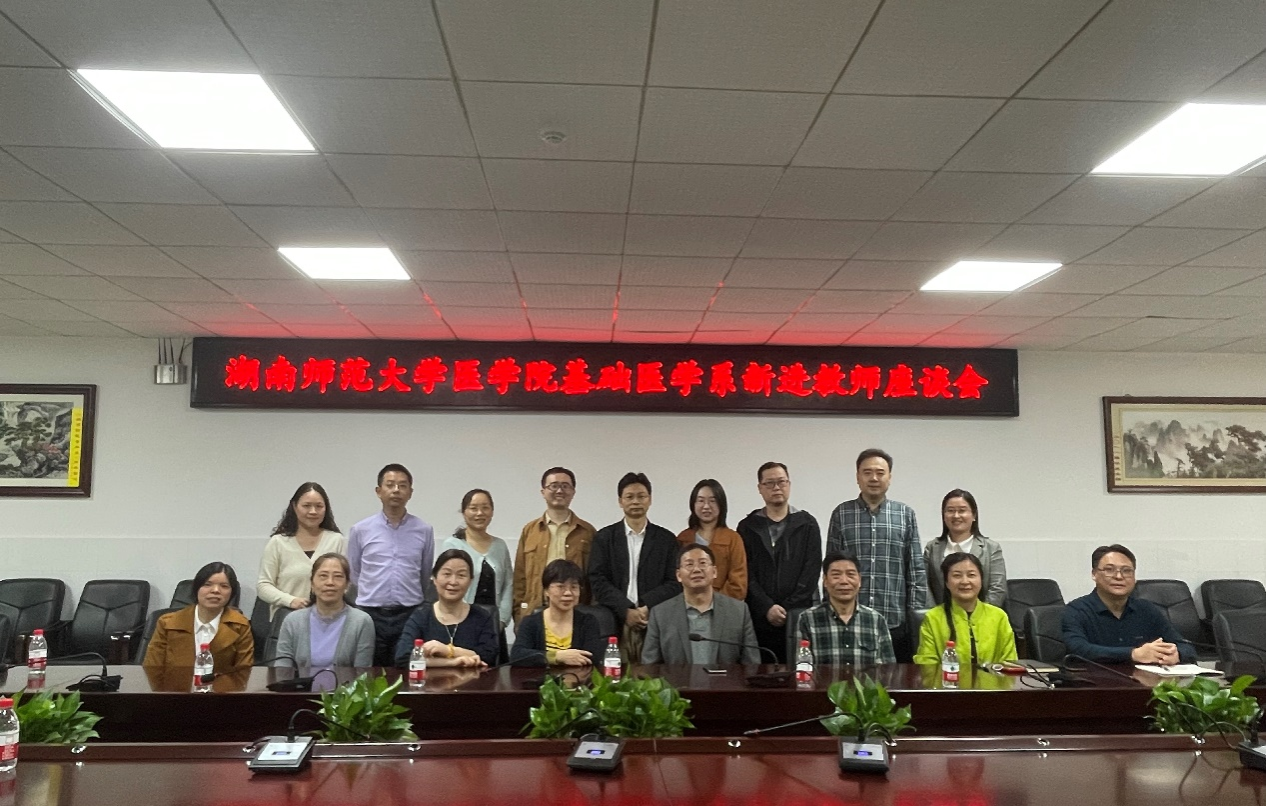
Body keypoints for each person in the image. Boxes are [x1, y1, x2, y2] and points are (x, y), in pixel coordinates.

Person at [826, 448, 928, 663]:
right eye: (867, 472)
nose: (874, 478)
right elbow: (831, 569)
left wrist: (915, 616)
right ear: (857, 477)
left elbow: (916, 569)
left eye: (880, 473)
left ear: (889, 477)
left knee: (895, 680)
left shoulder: (905, 514)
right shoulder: (841, 514)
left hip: (894, 619)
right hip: (849, 619)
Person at [588, 472, 681, 663]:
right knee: (615, 674)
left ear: (650, 499)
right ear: (620, 501)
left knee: (653, 674)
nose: (636, 501)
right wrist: (625, 609)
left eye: (641, 496)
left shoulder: (666, 539)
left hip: (654, 618)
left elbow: (674, 582)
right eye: (629, 497)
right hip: (614, 619)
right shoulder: (604, 538)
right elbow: (597, 579)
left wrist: (646, 606)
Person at [348, 463, 435, 667]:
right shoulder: (360, 530)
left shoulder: (424, 530)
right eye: (390, 485)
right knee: (369, 670)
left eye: (402, 485)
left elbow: (425, 573)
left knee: (407, 667)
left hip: (410, 612)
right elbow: (354, 572)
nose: (396, 490)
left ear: (410, 492)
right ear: (378, 491)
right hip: (369, 613)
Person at [737, 462, 822, 663]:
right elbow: (746, 573)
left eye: (781, 482)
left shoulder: (807, 524)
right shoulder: (748, 527)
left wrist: (786, 608)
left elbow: (811, 571)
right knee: (759, 672)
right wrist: (767, 607)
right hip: (759, 616)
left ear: (789, 484)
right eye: (770, 483)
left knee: (799, 671)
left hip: (798, 615)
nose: (776, 488)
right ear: (760, 488)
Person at [1062, 544, 1195, 665]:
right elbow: (1078, 649)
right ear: (1094, 574)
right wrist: (1133, 654)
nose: (1119, 577)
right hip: (1094, 680)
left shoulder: (1146, 609)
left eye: (1126, 571)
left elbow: (1185, 646)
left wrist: (1176, 654)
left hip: (1145, 680)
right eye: (1109, 570)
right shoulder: (1076, 610)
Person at [642, 544, 759, 665]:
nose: (696, 569)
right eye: (689, 564)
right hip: (677, 678)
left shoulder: (738, 611)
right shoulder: (660, 614)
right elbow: (650, 666)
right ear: (678, 575)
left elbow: (751, 664)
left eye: (703, 563)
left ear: (714, 572)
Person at [513, 467, 597, 627]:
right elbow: (519, 577)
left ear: (573, 492)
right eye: (554, 486)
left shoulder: (587, 532)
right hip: (535, 610)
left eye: (565, 486)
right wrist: (519, 614)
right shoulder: (530, 530)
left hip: (576, 613)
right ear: (543, 492)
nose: (559, 490)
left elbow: (594, 578)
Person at [256, 482, 348, 619]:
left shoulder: (336, 540)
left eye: (319, 506)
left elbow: (347, 582)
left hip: (329, 618)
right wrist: (291, 601)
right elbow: (263, 585)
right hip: (287, 617)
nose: (313, 511)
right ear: (294, 506)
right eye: (306, 506)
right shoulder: (278, 543)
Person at [395, 549, 499, 667]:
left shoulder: (482, 617)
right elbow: (403, 658)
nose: (453, 582)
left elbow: (488, 657)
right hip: (429, 679)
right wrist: (452, 662)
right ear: (434, 578)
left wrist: (448, 651)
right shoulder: (421, 616)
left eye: (461, 575)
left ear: (470, 581)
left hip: (473, 679)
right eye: (447, 574)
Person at [143, 561, 253, 673]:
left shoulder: (240, 625)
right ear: (196, 589)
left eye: (224, 586)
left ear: (231, 593)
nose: (215, 590)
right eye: (207, 584)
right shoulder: (168, 623)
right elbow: (152, 668)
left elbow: (244, 672)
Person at [913, 553, 1017, 667]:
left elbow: (1010, 663)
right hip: (946, 678)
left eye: (971, 575)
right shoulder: (933, 618)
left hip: (993, 678)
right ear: (947, 582)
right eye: (957, 576)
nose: (965, 581)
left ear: (981, 580)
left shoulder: (998, 616)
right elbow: (926, 665)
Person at [274, 553, 374, 668]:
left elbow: (362, 673)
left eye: (338, 576)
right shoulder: (293, 621)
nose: (330, 582)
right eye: (323, 576)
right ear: (312, 584)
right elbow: (282, 669)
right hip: (301, 680)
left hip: (346, 680)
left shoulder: (362, 622)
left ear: (347, 585)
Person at [797, 551, 895, 666]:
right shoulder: (807, 619)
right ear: (825, 580)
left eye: (850, 575)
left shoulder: (876, 620)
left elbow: (888, 670)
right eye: (836, 575)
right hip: (824, 679)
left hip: (867, 679)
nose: (844, 581)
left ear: (859, 580)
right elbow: (802, 668)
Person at [437, 489, 513, 629]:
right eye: (473, 508)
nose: (480, 513)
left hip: (494, 624)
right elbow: (447, 583)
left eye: (485, 508)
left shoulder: (500, 546)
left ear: (492, 512)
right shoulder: (453, 545)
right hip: (460, 622)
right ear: (464, 512)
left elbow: (508, 584)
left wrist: (502, 619)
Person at [511, 559, 606, 667]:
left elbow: (594, 657)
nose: (568, 593)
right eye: (561, 587)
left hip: (579, 677)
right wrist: (556, 657)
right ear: (546, 591)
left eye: (574, 587)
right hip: (540, 677)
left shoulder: (588, 622)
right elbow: (517, 655)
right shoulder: (530, 622)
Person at [923, 489, 1007, 608]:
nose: (956, 516)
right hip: (940, 616)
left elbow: (998, 588)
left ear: (974, 515)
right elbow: (924, 586)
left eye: (962, 510)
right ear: (943, 516)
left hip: (983, 616)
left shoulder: (991, 548)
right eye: (950, 511)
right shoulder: (932, 548)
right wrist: (937, 614)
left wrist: (980, 615)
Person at [676, 479, 748, 601]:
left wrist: (713, 603)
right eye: (701, 500)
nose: (706, 506)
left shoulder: (733, 539)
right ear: (693, 504)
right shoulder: (683, 538)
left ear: (721, 505)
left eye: (712, 501)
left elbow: (738, 583)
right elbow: (676, 579)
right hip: (687, 605)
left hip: (724, 606)